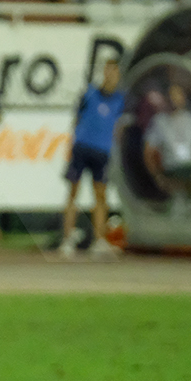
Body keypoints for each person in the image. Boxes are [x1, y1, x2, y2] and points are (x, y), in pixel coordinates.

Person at [61, 59, 123, 257]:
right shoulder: (89, 94)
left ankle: (99, 240)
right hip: (82, 148)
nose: (110, 75)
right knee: (73, 192)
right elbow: (77, 118)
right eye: (108, 71)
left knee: (101, 196)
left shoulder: (121, 100)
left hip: (103, 151)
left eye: (114, 72)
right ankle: (67, 238)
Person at [143, 82, 191, 202]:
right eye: (172, 95)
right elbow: (148, 151)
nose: (175, 99)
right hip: (171, 168)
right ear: (167, 98)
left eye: (178, 95)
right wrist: (157, 176)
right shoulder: (159, 121)